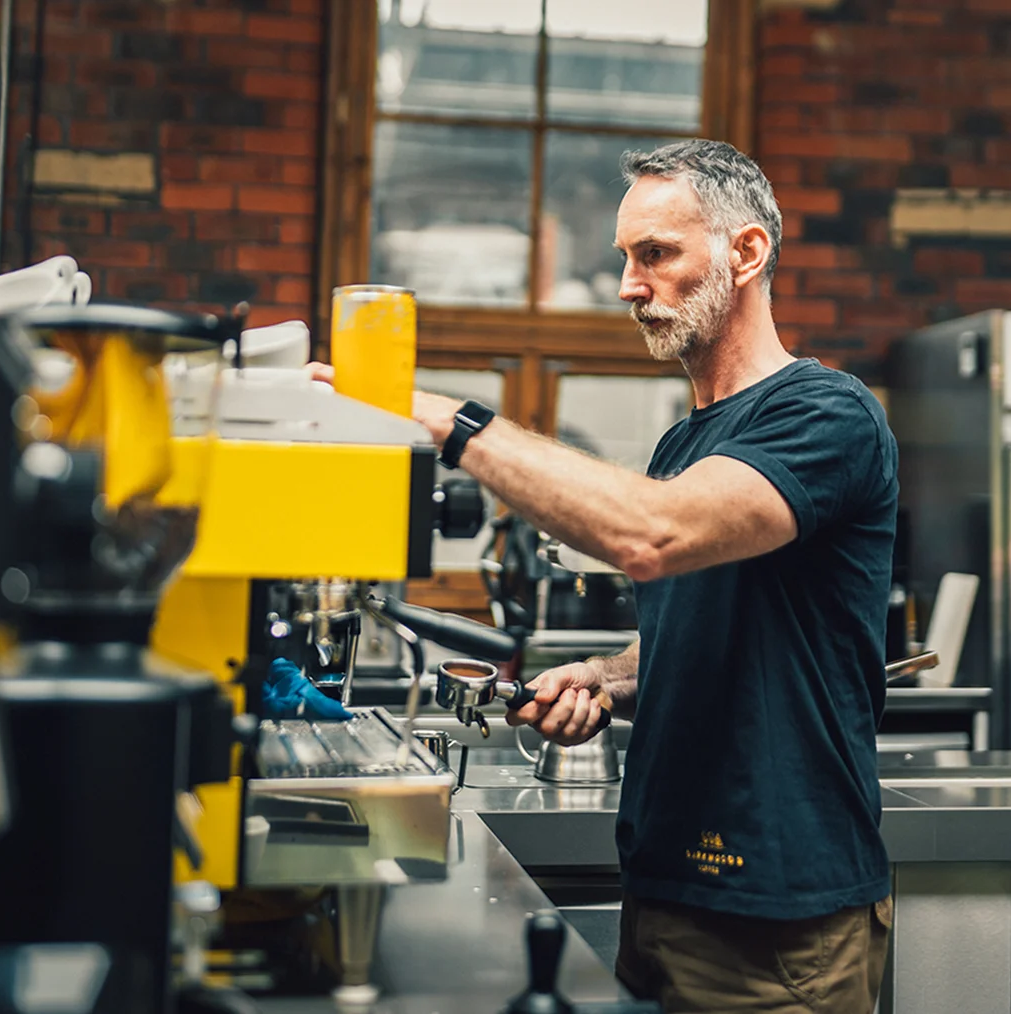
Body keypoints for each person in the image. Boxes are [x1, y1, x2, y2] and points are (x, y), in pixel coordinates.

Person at [316, 139, 896, 1012]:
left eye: (656, 254)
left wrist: (449, 422)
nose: (630, 285)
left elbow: (652, 535)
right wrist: (608, 676)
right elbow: (696, 613)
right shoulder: (686, 441)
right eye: (626, 259)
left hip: (780, 923)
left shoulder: (828, 414)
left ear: (747, 253)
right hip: (664, 895)